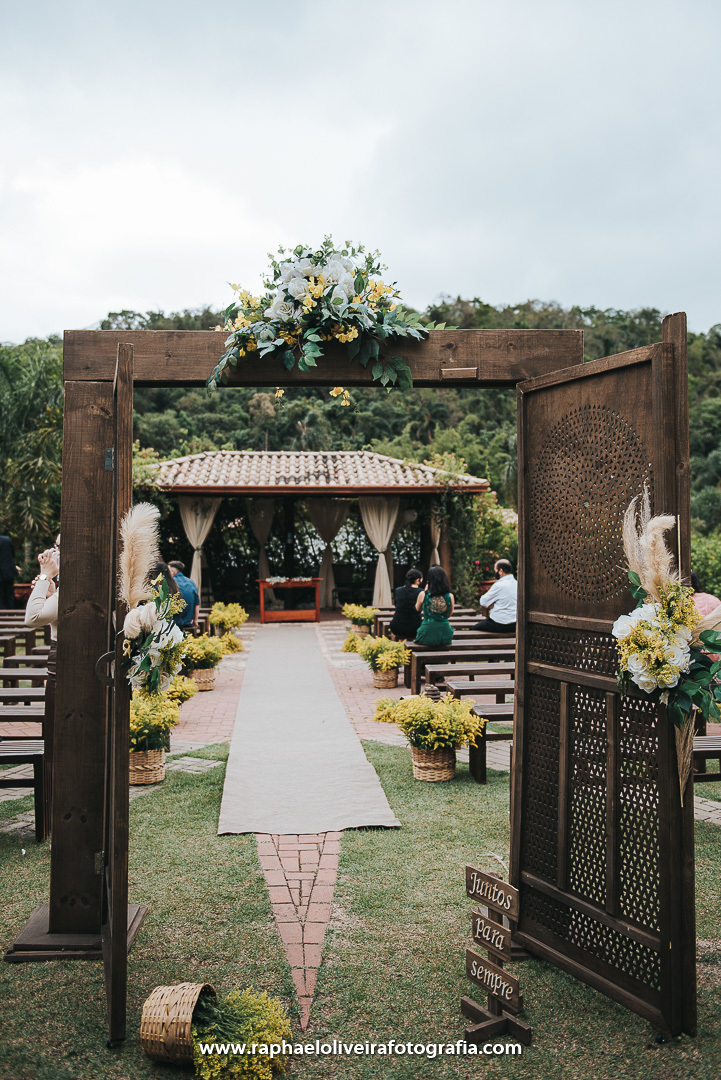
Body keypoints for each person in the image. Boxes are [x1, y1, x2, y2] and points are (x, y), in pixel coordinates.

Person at [25, 546, 60, 838]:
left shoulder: (69, 589)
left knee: (55, 742)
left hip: (61, 675)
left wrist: (45, 575)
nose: (53, 551)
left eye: (59, 547)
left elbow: (33, 617)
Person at [414, 565, 455, 647]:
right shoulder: (450, 596)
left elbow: (417, 609)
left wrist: (425, 592)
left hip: (426, 633)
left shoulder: (423, 594)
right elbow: (449, 615)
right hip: (445, 634)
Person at [474, 558, 517, 635]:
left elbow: (483, 601)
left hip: (500, 623)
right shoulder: (517, 584)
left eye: (495, 571)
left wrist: (492, 603)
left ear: (500, 571)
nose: (495, 573)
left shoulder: (498, 585)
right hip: (515, 624)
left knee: (475, 628)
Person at [389, 568, 424, 641]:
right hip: (414, 628)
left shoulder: (398, 590)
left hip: (396, 626)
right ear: (418, 580)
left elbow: (397, 605)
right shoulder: (421, 592)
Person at [168, 560, 200, 632]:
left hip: (173, 623)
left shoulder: (170, 583)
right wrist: (195, 620)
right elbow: (197, 604)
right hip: (188, 622)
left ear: (173, 571)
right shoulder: (191, 582)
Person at [0, 529, 17, 609]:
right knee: (9, 594)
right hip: (9, 571)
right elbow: (13, 554)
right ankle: (11, 613)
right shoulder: (7, 540)